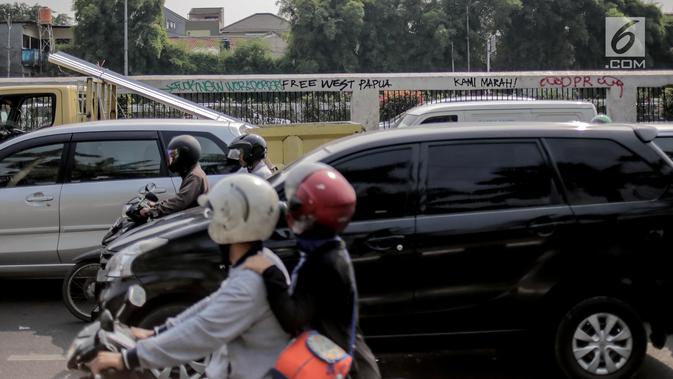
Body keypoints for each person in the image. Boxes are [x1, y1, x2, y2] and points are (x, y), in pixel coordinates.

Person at [87, 174, 290, 379]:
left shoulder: (249, 284)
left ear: (231, 224)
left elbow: (200, 332)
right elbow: (211, 304)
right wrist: (159, 332)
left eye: (217, 218)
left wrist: (127, 359)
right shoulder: (259, 260)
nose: (212, 226)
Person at [245, 162, 381, 379]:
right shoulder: (329, 248)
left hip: (337, 368)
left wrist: (270, 272)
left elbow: (292, 318)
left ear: (310, 214)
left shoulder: (322, 264)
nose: (291, 208)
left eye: (297, 205)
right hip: (339, 357)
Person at [140, 135, 209, 218]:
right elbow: (179, 198)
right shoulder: (193, 172)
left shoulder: (195, 176)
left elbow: (180, 202)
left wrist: (153, 211)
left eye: (174, 156)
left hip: (192, 221)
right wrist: (156, 205)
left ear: (185, 157)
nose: (171, 160)